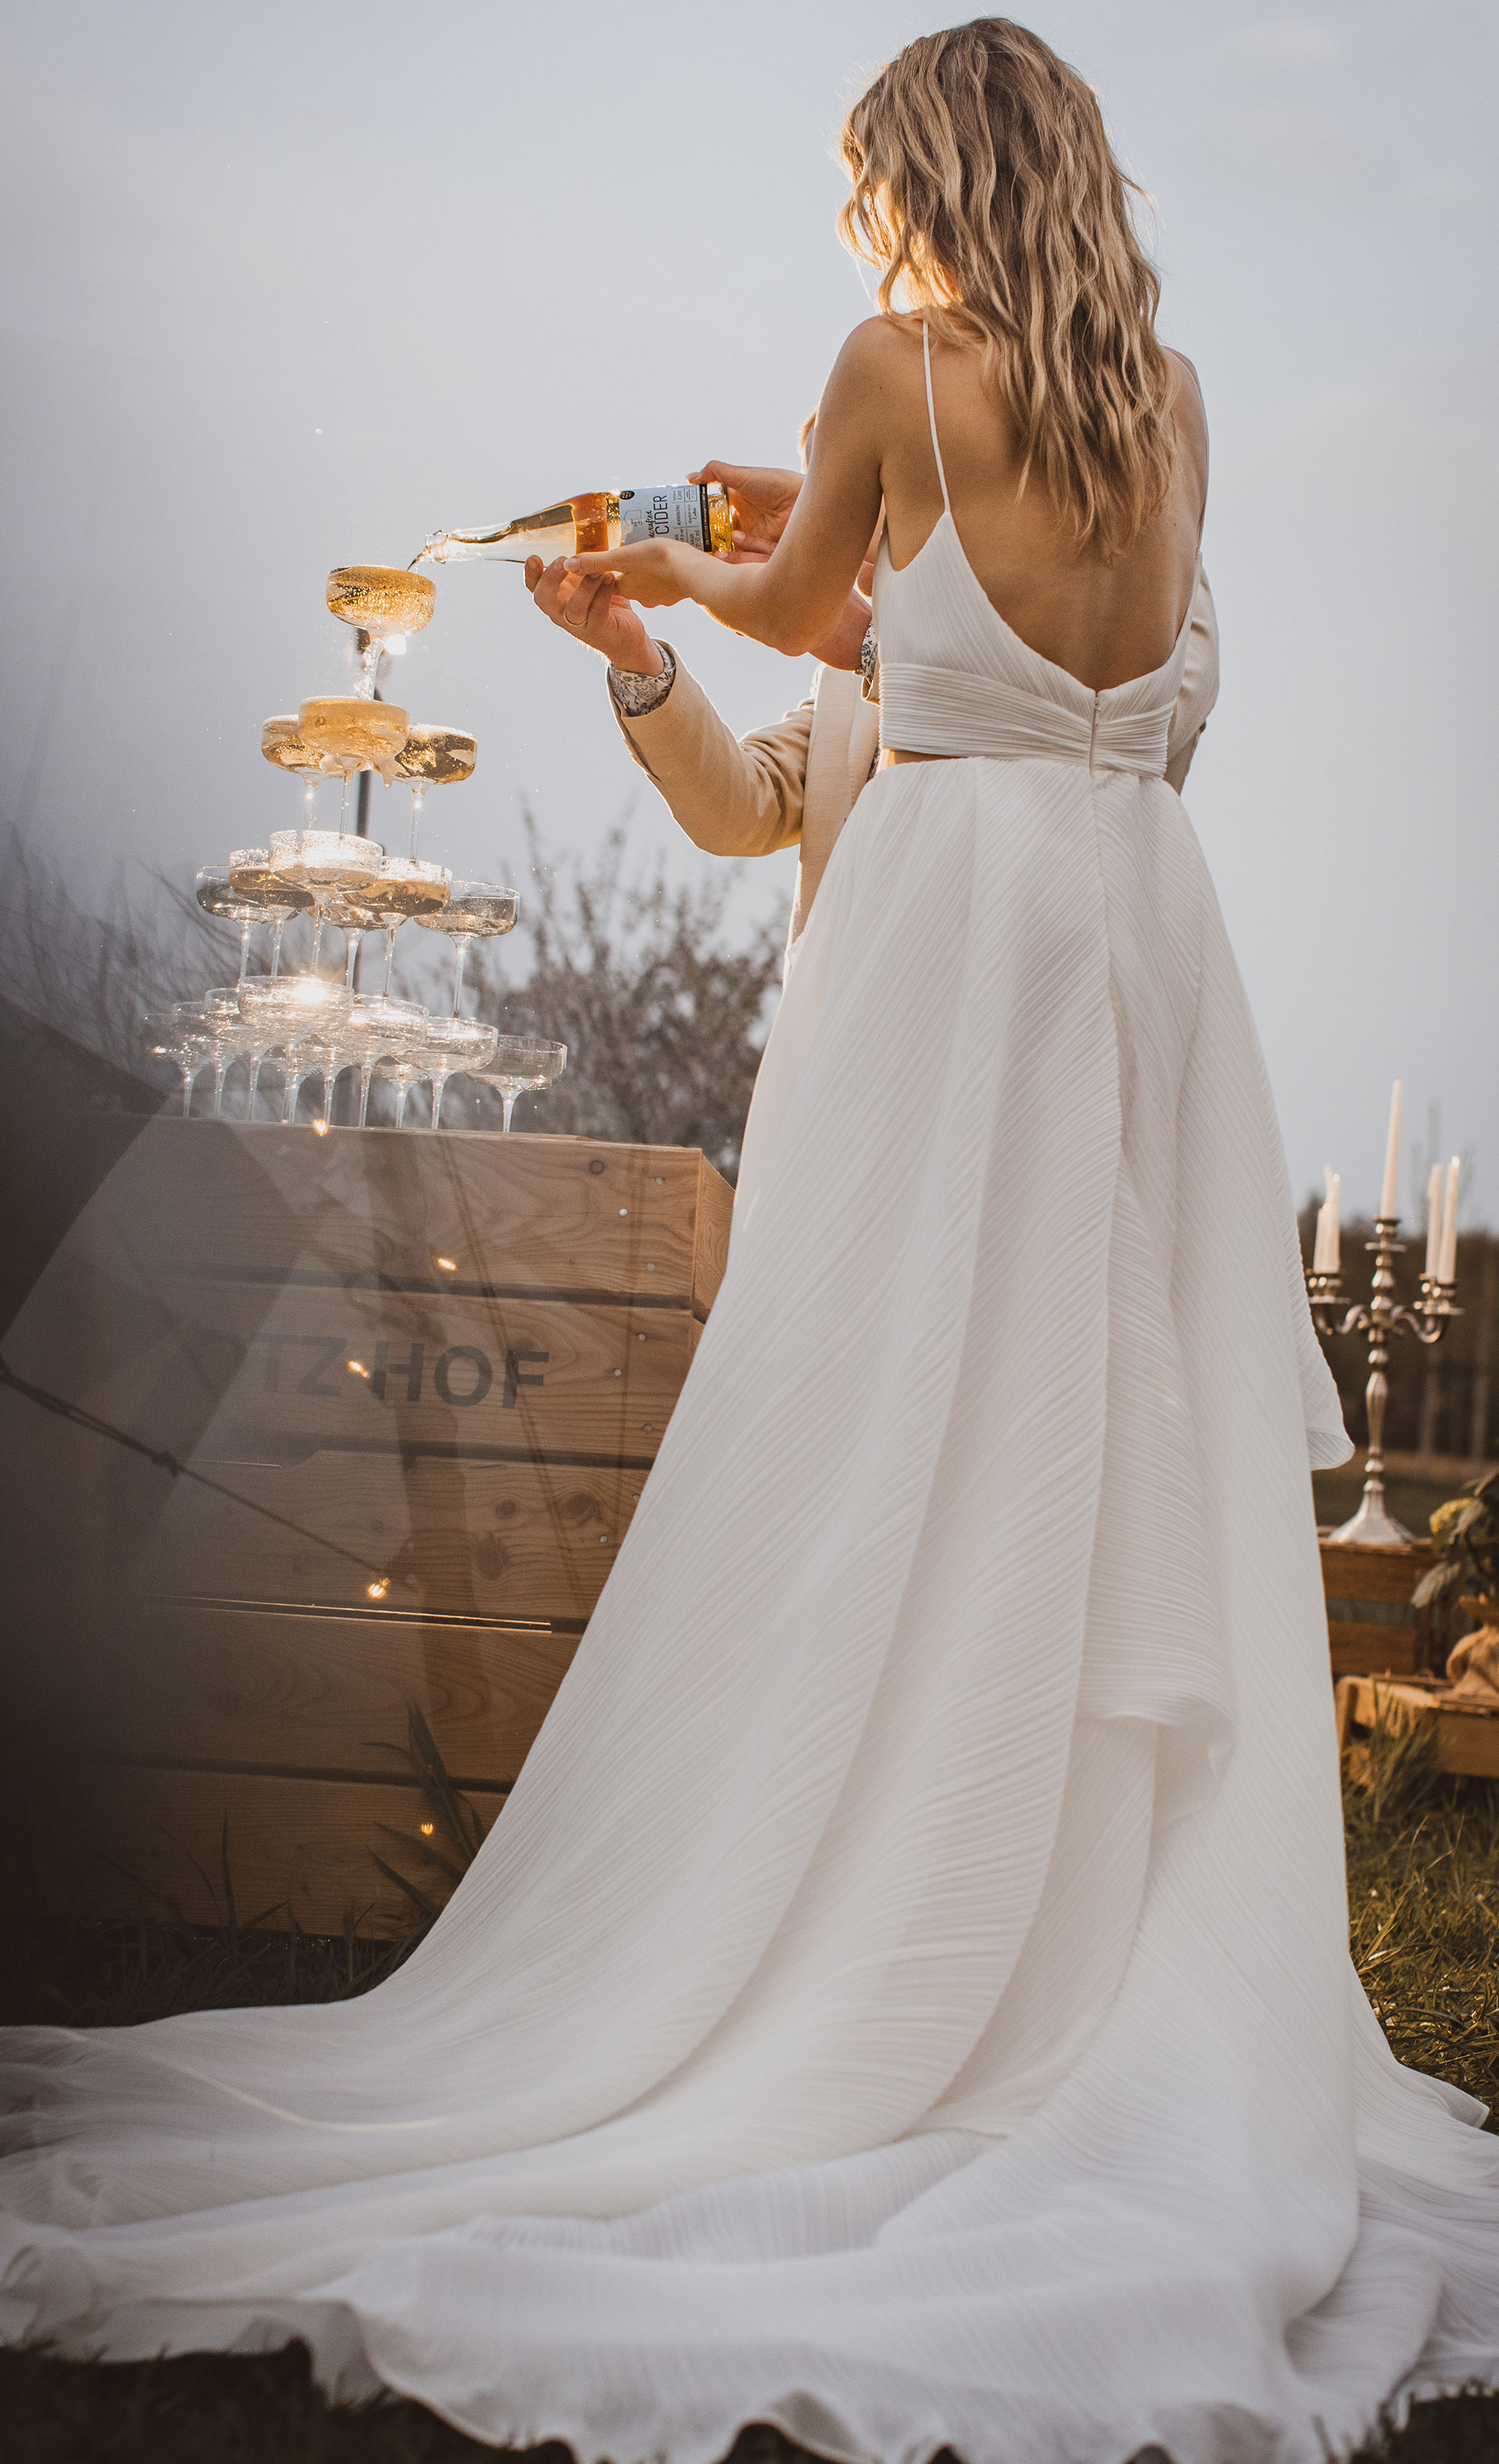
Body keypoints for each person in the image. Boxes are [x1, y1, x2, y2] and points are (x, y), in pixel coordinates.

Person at [4, 23, 1497, 2464]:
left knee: (899, 1439)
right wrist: (672, 654)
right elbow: (949, 710)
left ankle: (895, 1936)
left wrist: (668, 562)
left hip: (966, 977)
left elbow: (815, 596)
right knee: (1069, 1450)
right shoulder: (1177, 409)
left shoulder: (894, 368)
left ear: (921, 177)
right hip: (1133, 957)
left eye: (856, 186)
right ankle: (1050, 1928)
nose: (845, 231)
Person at [527, 463, 1218, 962]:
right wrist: (636, 658)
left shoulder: (1154, 573)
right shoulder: (856, 665)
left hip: (1039, 998)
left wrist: (866, 642)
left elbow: (1114, 733)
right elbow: (742, 808)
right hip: (849, 1025)